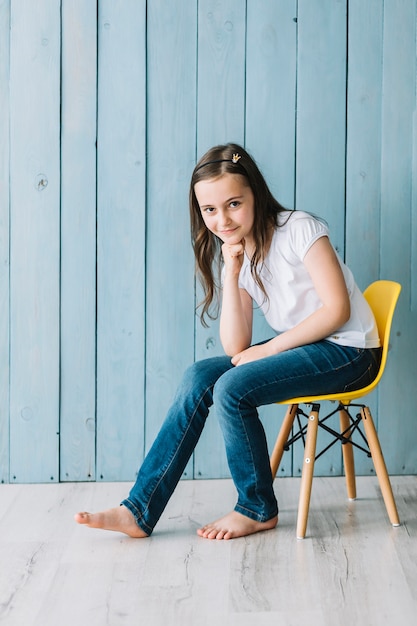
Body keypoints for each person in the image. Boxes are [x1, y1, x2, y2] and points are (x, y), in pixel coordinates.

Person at [75, 143, 382, 540]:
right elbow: (237, 348)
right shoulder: (240, 250)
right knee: (200, 375)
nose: (222, 219)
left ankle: (256, 507)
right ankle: (139, 508)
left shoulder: (299, 229)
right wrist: (232, 270)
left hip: (350, 351)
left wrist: (270, 348)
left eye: (234, 204)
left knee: (233, 387)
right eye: (210, 210)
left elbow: (337, 309)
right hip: (307, 346)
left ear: (255, 192)